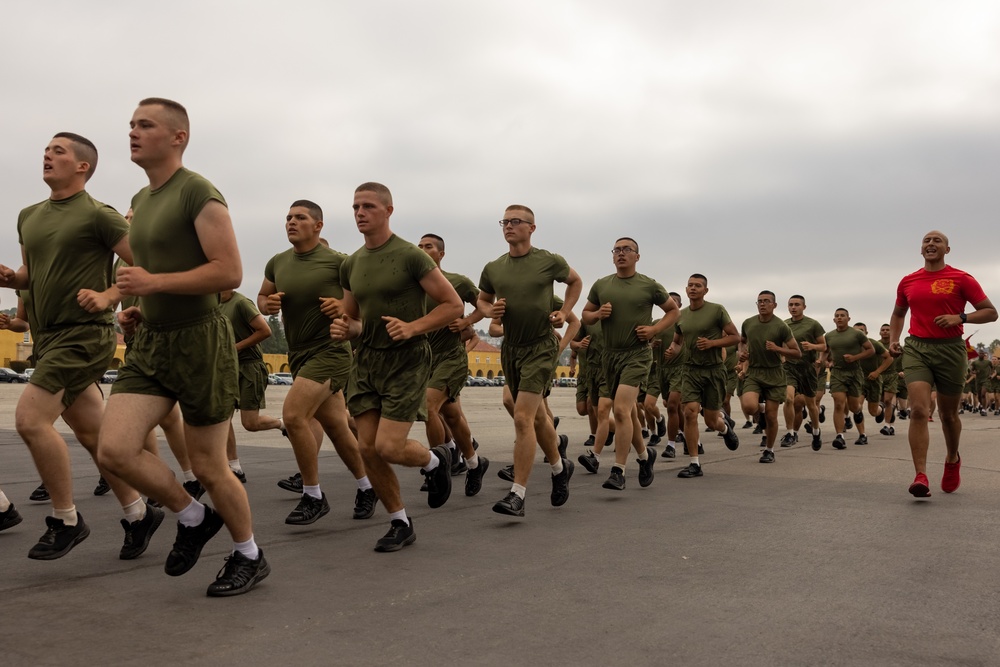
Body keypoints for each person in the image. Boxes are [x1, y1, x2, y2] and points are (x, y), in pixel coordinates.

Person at [98, 98, 268, 596]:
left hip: (201, 342)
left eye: (145, 125)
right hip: (150, 343)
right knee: (114, 449)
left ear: (178, 137)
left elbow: (228, 273)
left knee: (212, 466)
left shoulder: (198, 191)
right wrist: (137, 305)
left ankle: (249, 555)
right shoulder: (142, 199)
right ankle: (192, 517)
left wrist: (155, 285)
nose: (132, 132)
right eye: (130, 124)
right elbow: (148, 278)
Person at [0, 132, 154, 562]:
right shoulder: (28, 216)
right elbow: (33, 273)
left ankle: (65, 519)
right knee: (93, 435)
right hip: (48, 339)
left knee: (30, 421)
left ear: (83, 165)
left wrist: (109, 296)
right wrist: (12, 279)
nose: (47, 156)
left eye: (58, 151)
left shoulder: (99, 216)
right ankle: (139, 513)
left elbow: (142, 265)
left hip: (84, 334)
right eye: (46, 151)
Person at [331, 182, 463, 551]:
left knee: (388, 446)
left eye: (368, 206)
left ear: (388, 211)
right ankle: (399, 522)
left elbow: (453, 305)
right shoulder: (351, 264)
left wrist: (413, 327)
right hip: (368, 361)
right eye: (356, 206)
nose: (360, 213)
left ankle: (435, 462)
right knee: (367, 448)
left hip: (407, 359)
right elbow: (355, 319)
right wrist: (344, 328)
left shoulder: (410, 256)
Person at [259, 200, 373, 525]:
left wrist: (344, 308)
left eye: (300, 217)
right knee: (338, 427)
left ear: (318, 225)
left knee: (293, 416)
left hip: (331, 352)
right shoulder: (277, 262)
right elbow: (262, 296)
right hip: (299, 354)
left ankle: (313, 495)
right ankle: (368, 485)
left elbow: (366, 303)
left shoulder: (340, 263)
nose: (291, 222)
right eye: (288, 217)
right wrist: (268, 304)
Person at [478, 205, 582, 516]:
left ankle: (518, 494)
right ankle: (559, 467)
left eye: (515, 221)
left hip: (540, 347)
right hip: (512, 348)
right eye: (504, 221)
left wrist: (564, 312)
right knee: (536, 418)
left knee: (523, 417)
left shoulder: (548, 261)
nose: (508, 226)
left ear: (531, 228)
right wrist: (488, 311)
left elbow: (575, 281)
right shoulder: (494, 268)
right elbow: (483, 299)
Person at [888, 230, 997, 497]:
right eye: (926, 240)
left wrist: (960, 318)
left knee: (948, 416)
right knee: (918, 411)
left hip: (950, 350)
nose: (931, 243)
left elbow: (991, 312)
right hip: (917, 348)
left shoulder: (961, 278)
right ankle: (921, 476)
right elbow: (898, 313)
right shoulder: (908, 281)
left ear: (947, 250)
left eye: (937, 241)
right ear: (921, 249)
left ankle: (951, 459)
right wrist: (894, 339)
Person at [581, 237, 678, 489]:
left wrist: (654, 329)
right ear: (613, 256)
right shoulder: (601, 285)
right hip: (609, 356)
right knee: (631, 414)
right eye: (617, 250)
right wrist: (598, 314)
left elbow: (673, 311)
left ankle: (619, 470)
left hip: (637, 354)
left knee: (621, 410)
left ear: (637, 256)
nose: (621, 253)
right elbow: (585, 315)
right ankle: (645, 458)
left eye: (627, 250)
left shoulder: (649, 285)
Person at [416, 234, 490, 496]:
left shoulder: (457, 281)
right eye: (420, 246)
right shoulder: (412, 285)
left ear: (441, 254)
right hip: (424, 360)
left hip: (451, 357)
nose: (423, 250)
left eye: (429, 247)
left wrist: (466, 320)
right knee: (452, 416)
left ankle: (437, 467)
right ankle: (474, 463)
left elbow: (484, 304)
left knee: (428, 407)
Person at [664, 274, 741, 478]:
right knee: (689, 412)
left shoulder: (717, 310)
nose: (693, 288)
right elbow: (678, 341)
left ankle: (724, 428)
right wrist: (672, 349)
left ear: (705, 290)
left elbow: (735, 337)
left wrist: (712, 344)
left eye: (698, 286)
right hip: (690, 370)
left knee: (710, 421)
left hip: (714, 370)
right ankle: (694, 463)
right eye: (690, 285)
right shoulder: (681, 315)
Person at [219, 287, 283, 482]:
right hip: (229, 368)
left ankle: (282, 424)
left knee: (250, 424)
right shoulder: (215, 304)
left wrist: (235, 347)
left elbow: (265, 331)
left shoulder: (241, 303)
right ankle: (235, 467)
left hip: (250, 367)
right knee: (223, 419)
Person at [736, 291, 801, 463]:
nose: (762, 304)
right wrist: (742, 355)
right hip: (755, 372)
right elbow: (742, 341)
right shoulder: (748, 323)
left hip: (774, 374)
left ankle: (769, 450)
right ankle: (760, 411)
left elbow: (797, 352)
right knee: (749, 406)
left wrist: (778, 349)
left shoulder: (781, 327)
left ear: (774, 305)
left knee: (772, 417)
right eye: (759, 301)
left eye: (766, 301)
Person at [820, 309, 875, 450]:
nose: (839, 318)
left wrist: (855, 358)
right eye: (837, 316)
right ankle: (839, 436)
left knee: (854, 406)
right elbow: (825, 351)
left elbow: (871, 350)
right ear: (833, 320)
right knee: (838, 403)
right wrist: (822, 361)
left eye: (842, 316)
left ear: (848, 318)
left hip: (854, 372)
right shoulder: (829, 336)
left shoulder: (857, 334)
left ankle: (862, 433)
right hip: (838, 372)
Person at [781, 295, 826, 450]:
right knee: (788, 399)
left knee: (811, 405)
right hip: (789, 368)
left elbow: (824, 346)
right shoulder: (784, 325)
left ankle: (816, 431)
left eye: (797, 304)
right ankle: (790, 433)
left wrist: (812, 347)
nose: (793, 307)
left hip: (807, 368)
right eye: (791, 305)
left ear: (804, 307)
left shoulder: (813, 324)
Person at [852, 322, 893, 444]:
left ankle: (881, 408)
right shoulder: (850, 345)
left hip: (873, 379)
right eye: (856, 331)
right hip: (858, 380)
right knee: (856, 407)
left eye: (861, 331)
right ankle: (862, 435)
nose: (859, 333)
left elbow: (889, 358)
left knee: (873, 412)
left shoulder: (874, 344)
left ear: (866, 332)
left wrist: (877, 371)